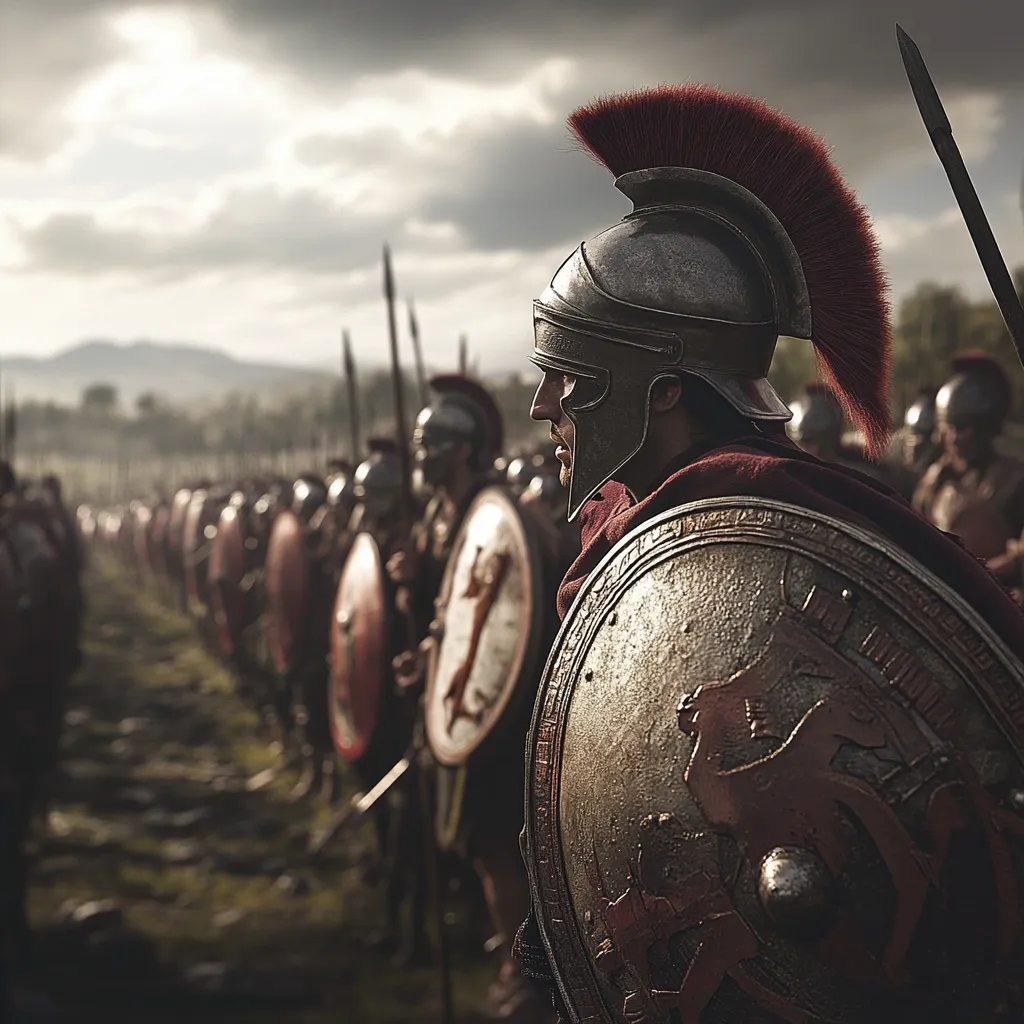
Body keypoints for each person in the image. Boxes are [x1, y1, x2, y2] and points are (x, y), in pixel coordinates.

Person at [513, 84, 1024, 1023]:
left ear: (664, 389)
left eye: (569, 378)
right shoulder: (633, 532)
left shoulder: (783, 512)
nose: (545, 407)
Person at [913, 351, 1024, 590]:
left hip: (999, 602)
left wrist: (977, 580)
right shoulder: (933, 481)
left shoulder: (1015, 481)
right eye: (950, 427)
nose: (955, 437)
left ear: (986, 425)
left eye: (964, 427)